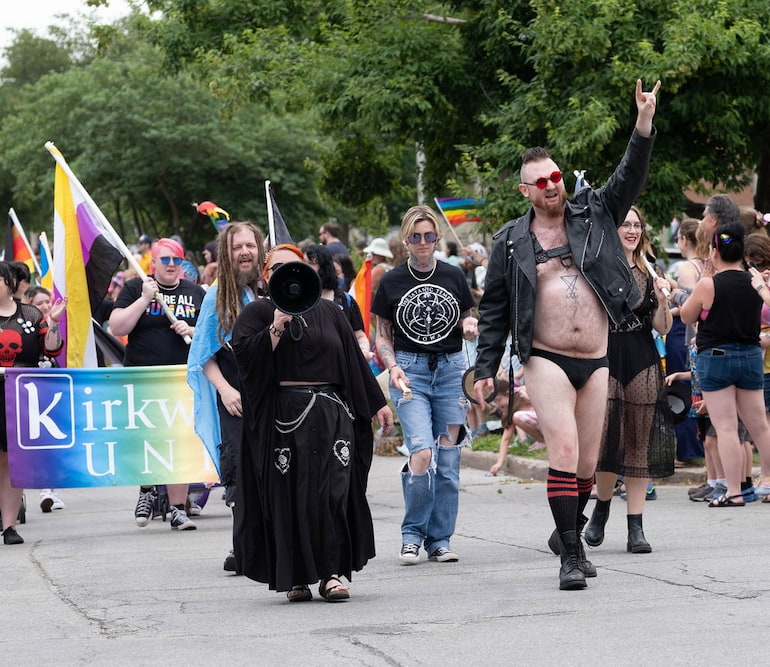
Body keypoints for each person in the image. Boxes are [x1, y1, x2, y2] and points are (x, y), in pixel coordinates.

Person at [474, 79, 661, 590]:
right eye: (541, 181)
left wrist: (642, 124)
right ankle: (571, 558)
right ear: (526, 191)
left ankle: (567, 532)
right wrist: (484, 370)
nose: (552, 184)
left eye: (556, 175)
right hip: (546, 357)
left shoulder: (594, 211)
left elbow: (630, 178)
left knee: (585, 464)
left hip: (597, 356)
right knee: (562, 451)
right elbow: (493, 309)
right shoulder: (511, 241)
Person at [231, 245, 393, 602]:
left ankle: (331, 573)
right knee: (292, 496)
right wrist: (275, 328)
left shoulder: (332, 312)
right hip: (284, 419)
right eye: (277, 268)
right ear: (265, 276)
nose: (287, 272)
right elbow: (246, 363)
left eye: (294, 266)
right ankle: (296, 577)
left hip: (332, 414)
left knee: (334, 492)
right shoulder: (257, 313)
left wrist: (376, 402)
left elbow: (351, 361)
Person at [372, 205, 478, 565]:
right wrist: (392, 365)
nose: (422, 242)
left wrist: (469, 326)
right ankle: (412, 534)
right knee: (422, 452)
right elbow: (382, 334)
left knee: (448, 461)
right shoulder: (390, 281)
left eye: (429, 235)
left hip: (450, 372)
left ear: (437, 238)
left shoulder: (453, 276)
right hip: (410, 374)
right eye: (415, 236)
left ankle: (440, 539)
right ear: (406, 239)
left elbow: (467, 314)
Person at [583, 206, 675, 553]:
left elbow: (663, 327)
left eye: (637, 225)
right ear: (614, 229)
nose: (633, 230)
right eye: (626, 224)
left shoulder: (651, 270)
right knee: (609, 441)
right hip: (606, 355)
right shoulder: (598, 268)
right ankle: (602, 508)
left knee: (639, 444)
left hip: (641, 356)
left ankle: (635, 526)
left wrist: (663, 299)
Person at [110, 238, 205, 530]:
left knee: (180, 440)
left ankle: (178, 507)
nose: (173, 264)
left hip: (181, 378)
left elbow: (212, 332)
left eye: (177, 259)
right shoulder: (135, 288)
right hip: (143, 378)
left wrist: (192, 328)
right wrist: (143, 299)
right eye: (166, 260)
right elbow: (117, 327)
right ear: (153, 263)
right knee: (146, 439)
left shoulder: (195, 293)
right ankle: (147, 490)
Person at [187, 222, 264, 570]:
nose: (245, 251)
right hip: (235, 396)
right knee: (241, 470)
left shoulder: (266, 290)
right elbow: (204, 355)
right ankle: (243, 546)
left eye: (250, 245)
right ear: (226, 253)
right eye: (237, 247)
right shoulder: (217, 295)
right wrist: (226, 389)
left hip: (269, 397)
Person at [680, 219, 770, 506]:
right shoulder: (755, 282)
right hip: (751, 355)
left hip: (717, 357)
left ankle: (734, 492)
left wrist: (703, 280)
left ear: (714, 252)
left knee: (727, 428)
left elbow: (686, 316)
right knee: (760, 427)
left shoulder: (709, 284)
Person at [0, 262, 66, 544]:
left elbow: (50, 348)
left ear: (10, 282)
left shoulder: (29, 314)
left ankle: (10, 525)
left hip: (18, 395)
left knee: (11, 461)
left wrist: (53, 323)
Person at [20, 286, 66, 511]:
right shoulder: (19, 327)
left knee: (48, 443)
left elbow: (52, 350)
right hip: (20, 395)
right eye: (40, 304)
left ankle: (47, 490)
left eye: (48, 302)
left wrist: (54, 322)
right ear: (27, 304)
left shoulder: (46, 328)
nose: (46, 307)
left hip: (48, 393)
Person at [304, 244, 371, 359]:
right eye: (302, 263)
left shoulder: (345, 300)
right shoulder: (296, 300)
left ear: (325, 265)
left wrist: (363, 350)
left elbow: (359, 335)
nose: (305, 268)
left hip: (340, 365)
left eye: (311, 263)